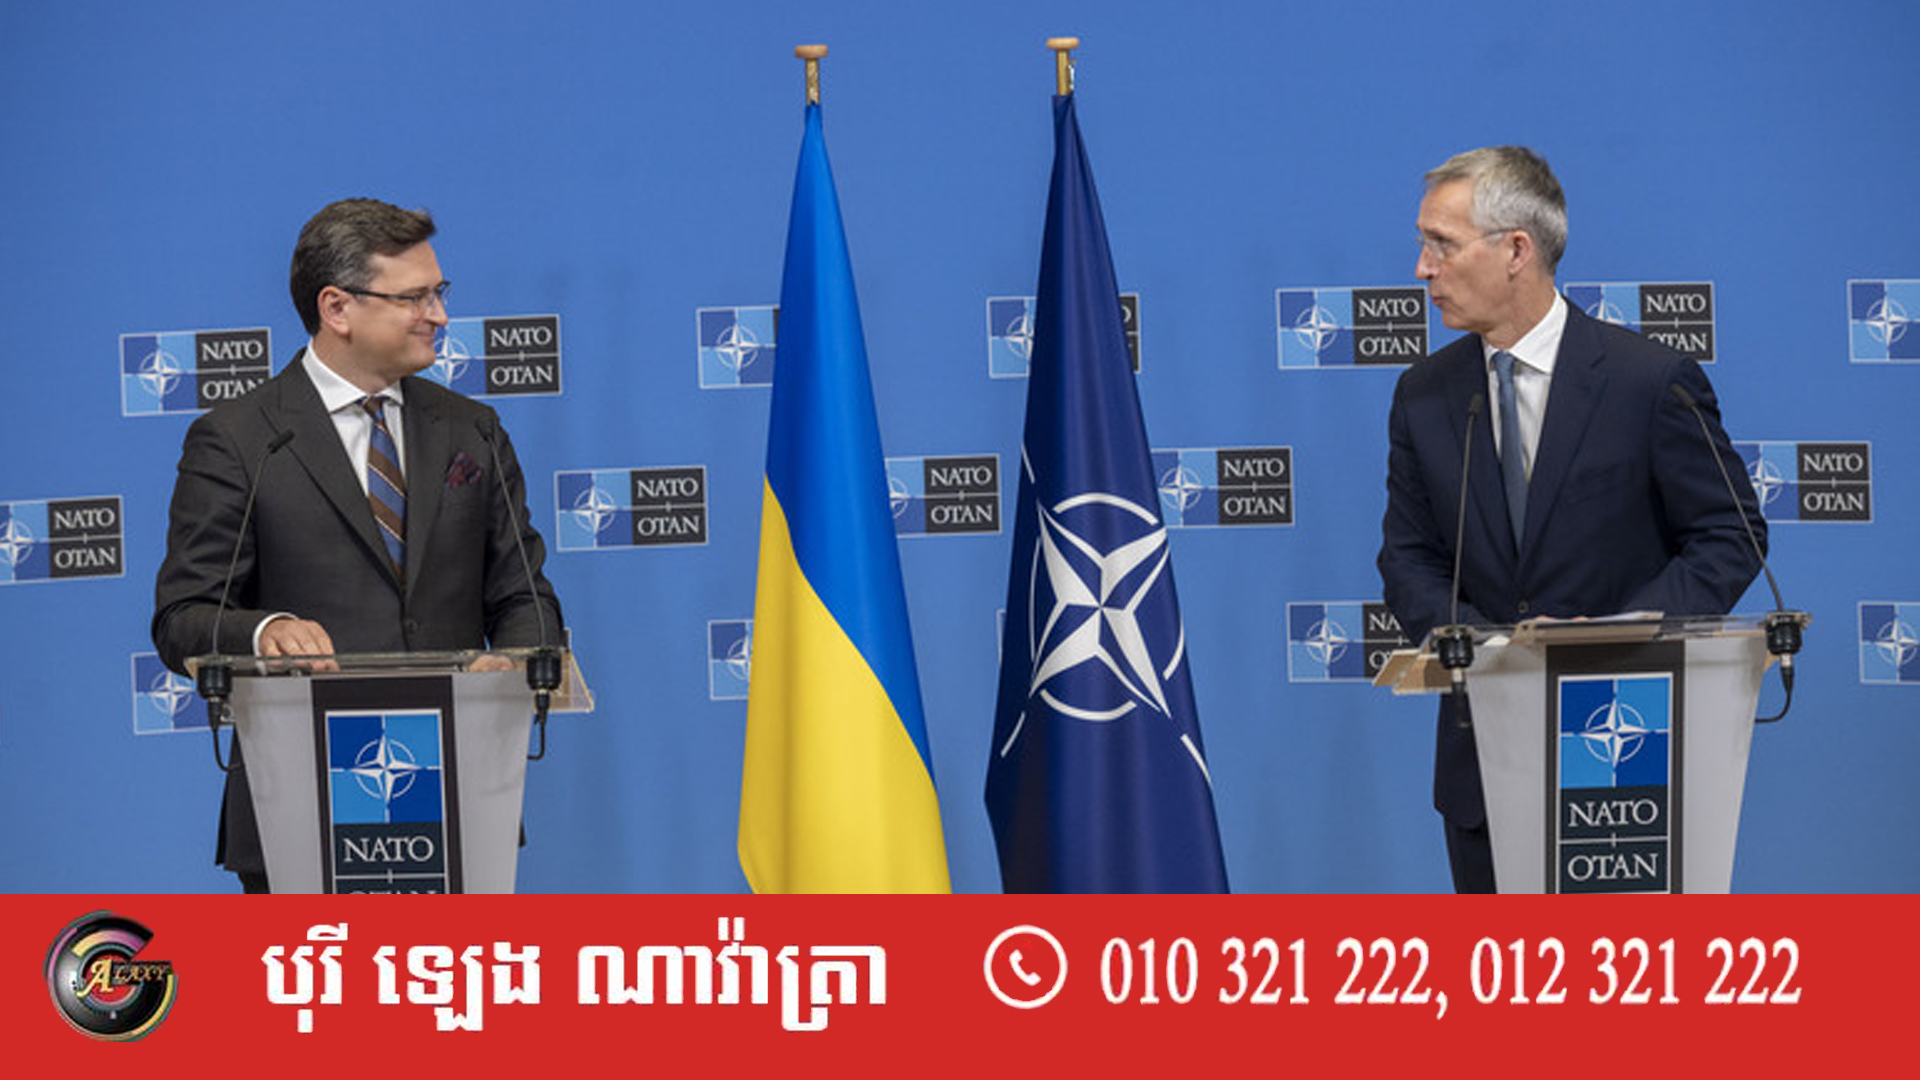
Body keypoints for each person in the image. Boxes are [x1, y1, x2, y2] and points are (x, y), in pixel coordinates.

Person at [1377, 147, 1763, 893]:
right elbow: (1407, 557)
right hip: (1485, 759)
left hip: (1625, 744)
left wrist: (1612, 641)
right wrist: (1485, 650)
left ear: (1516, 249)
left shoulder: (1649, 382)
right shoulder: (1424, 394)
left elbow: (1731, 538)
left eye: (1442, 245)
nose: (1423, 269)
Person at [152, 198, 564, 893]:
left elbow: (525, 595)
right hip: (298, 801)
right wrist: (266, 631)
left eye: (440, 292)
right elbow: (183, 617)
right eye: (414, 297)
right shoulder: (240, 440)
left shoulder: (473, 430)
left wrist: (514, 663)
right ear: (337, 308)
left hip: (455, 792)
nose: (439, 315)